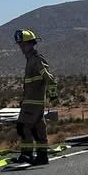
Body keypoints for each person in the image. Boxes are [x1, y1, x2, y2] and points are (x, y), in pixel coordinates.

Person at [10, 29, 57, 167]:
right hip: (32, 103)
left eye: (23, 45)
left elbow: (50, 79)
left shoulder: (36, 60)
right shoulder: (30, 60)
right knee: (38, 129)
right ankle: (42, 156)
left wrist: (53, 96)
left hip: (33, 104)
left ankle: (27, 154)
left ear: (31, 44)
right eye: (20, 45)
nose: (21, 48)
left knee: (23, 127)